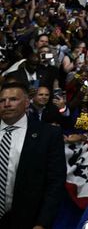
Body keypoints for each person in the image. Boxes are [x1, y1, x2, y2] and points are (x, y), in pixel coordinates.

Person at [0, 81, 66, 228]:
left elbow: (55, 183)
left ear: (27, 103)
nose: (7, 104)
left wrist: (42, 223)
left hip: (27, 220)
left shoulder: (48, 134)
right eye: (2, 100)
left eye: (13, 99)